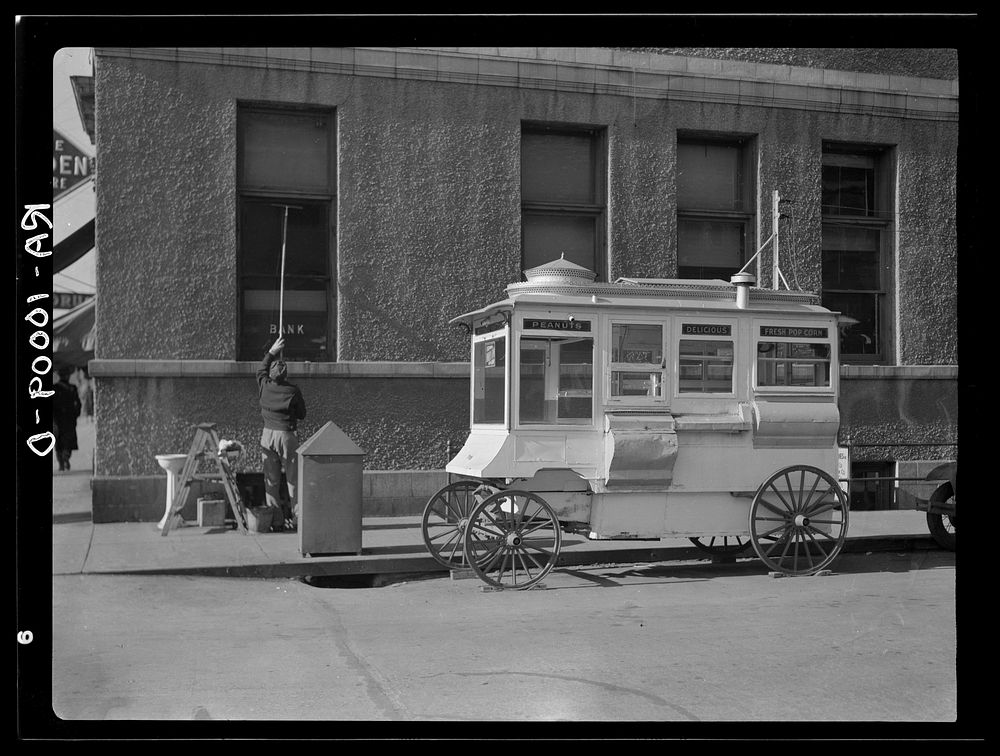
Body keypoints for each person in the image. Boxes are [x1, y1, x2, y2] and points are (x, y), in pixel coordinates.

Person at [256, 336, 306, 531]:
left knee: (271, 480)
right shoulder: (292, 391)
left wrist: (272, 351)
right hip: (287, 435)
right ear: (285, 375)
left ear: (270, 374)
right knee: (293, 479)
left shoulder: (264, 385)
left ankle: (275, 521)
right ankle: (297, 520)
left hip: (267, 435)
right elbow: (302, 414)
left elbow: (260, 369)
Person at [53, 366, 82, 471]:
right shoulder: (60, 388)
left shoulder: (71, 388)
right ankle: (63, 461)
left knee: (63, 441)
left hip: (65, 419)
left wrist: (76, 413)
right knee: (62, 441)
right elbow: (78, 404)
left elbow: (78, 403)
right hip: (63, 419)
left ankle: (63, 460)